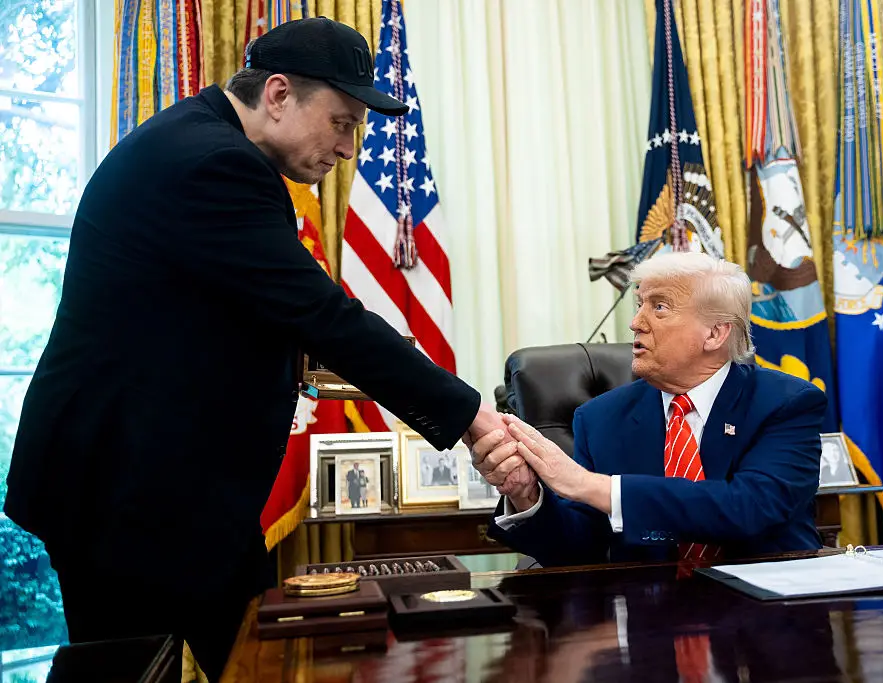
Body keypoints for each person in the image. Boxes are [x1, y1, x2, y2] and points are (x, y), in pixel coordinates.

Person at [2, 17, 524, 680]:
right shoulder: (215, 164)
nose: (348, 149)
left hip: (172, 488)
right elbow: (322, 315)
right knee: (137, 668)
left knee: (245, 655)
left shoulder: (198, 140)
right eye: (341, 122)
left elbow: (244, 321)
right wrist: (473, 417)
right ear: (278, 93)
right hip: (126, 496)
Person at [472, 251, 827, 568]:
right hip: (649, 622)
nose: (636, 322)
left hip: (770, 622)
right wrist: (525, 495)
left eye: (659, 306)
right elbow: (577, 552)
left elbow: (749, 507)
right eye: (639, 304)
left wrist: (592, 486)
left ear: (716, 334)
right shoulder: (600, 419)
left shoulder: (786, 403)